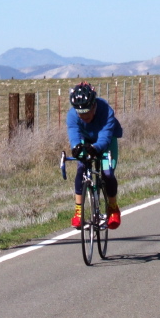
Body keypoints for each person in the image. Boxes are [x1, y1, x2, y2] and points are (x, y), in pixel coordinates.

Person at [67, 82, 123, 229]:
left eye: (87, 111)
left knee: (107, 173)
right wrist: (76, 147)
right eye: (80, 112)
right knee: (81, 168)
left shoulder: (106, 111)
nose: (84, 116)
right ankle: (79, 212)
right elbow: (74, 134)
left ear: (94, 106)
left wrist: (96, 148)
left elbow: (105, 137)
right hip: (86, 140)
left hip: (106, 141)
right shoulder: (72, 115)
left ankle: (113, 207)